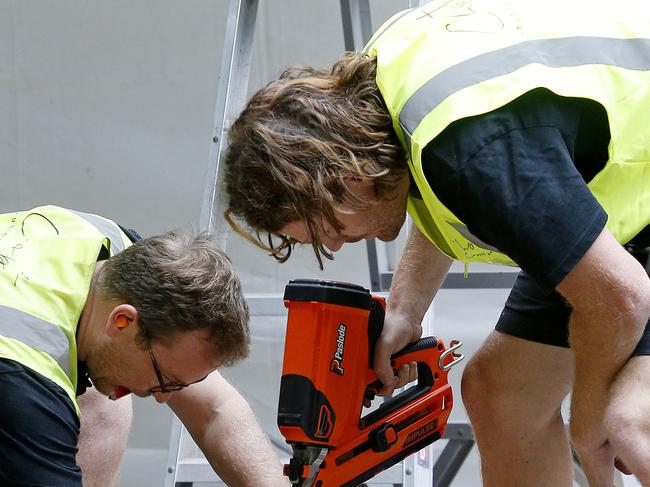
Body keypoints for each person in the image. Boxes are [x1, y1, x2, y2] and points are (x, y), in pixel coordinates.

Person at [222, 1, 650, 485]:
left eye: (330, 231)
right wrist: (406, 308)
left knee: (631, 425)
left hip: (634, 215)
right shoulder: (386, 97)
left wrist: (589, 422)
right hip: (617, 205)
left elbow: (622, 298)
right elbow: (444, 179)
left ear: (348, 176)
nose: (338, 247)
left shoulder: (475, 151)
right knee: (502, 396)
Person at [0, 205, 287, 486]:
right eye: (166, 381)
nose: (163, 398)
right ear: (122, 320)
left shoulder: (117, 252)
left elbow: (215, 408)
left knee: (110, 386)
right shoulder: (27, 379)